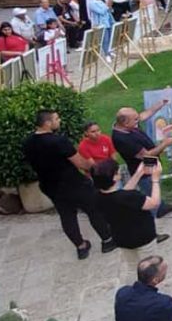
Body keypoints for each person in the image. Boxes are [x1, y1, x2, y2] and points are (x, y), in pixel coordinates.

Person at [23, 109, 115, 259]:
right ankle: (107, 240)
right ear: (48, 123)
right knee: (94, 209)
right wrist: (95, 168)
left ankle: (81, 246)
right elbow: (80, 163)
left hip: (50, 186)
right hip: (74, 183)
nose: (59, 121)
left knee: (67, 216)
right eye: (56, 119)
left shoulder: (28, 142)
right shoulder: (59, 141)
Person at [91, 160, 169, 267]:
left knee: (132, 267)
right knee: (151, 267)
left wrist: (139, 173)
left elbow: (123, 193)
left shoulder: (97, 196)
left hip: (122, 238)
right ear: (114, 178)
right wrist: (155, 180)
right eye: (117, 171)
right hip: (143, 238)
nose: (120, 171)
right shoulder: (130, 197)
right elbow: (154, 203)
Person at [112, 101, 172, 199]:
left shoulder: (125, 125)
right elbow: (147, 155)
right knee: (152, 194)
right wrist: (165, 144)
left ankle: (162, 205)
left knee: (157, 189)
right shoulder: (122, 139)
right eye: (135, 120)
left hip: (152, 165)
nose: (138, 121)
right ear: (125, 123)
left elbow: (144, 115)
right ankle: (157, 207)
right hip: (144, 172)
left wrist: (159, 104)